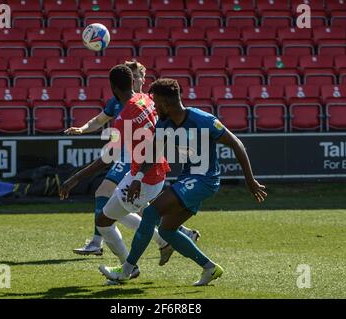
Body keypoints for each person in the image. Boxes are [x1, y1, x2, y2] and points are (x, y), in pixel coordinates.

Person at [99, 78, 267, 286]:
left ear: (165, 104)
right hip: (188, 178)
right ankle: (210, 268)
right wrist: (139, 178)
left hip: (205, 179)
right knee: (167, 230)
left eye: (156, 103)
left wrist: (249, 180)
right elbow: (153, 151)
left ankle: (127, 269)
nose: (154, 107)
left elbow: (236, 143)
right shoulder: (165, 123)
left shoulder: (203, 120)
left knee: (151, 213)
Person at [59, 67, 199, 274]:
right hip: (153, 171)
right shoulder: (146, 99)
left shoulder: (123, 119)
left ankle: (128, 268)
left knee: (103, 221)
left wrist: (75, 178)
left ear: (113, 88)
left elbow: (108, 157)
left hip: (144, 178)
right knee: (117, 209)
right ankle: (162, 242)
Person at [63, 61, 149, 256]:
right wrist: (83, 129)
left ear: (143, 79)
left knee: (105, 193)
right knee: (138, 204)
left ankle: (97, 242)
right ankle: (176, 235)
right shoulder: (117, 102)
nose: (134, 79)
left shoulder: (146, 101)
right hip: (125, 154)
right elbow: (100, 120)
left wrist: (76, 177)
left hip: (135, 156)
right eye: (131, 76)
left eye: (136, 76)